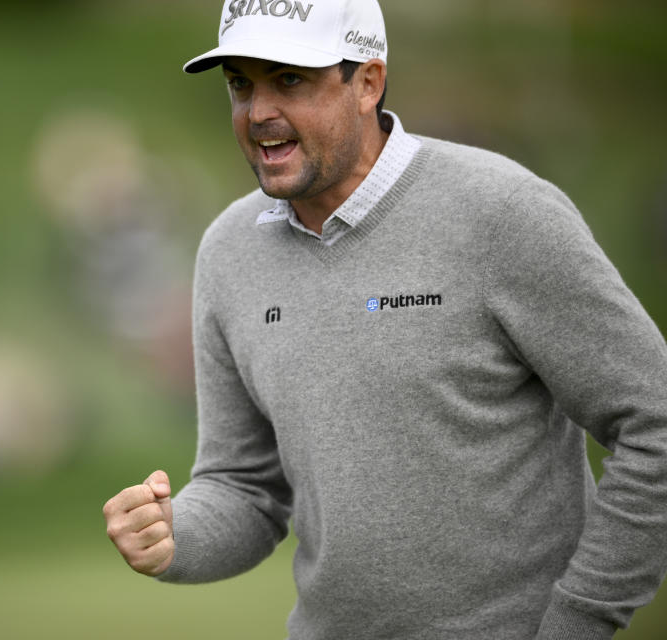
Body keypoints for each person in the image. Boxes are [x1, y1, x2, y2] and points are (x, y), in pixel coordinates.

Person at [101, 1, 667, 638]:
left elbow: (655, 421)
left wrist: (578, 622)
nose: (258, 112)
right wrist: (176, 535)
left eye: (289, 79)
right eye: (241, 83)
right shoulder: (229, 251)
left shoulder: (503, 212)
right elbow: (245, 487)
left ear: (368, 82)